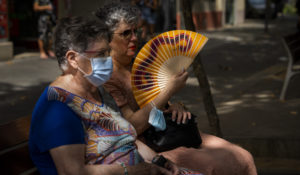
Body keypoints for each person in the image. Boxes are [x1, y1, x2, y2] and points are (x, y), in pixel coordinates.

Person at [96, 2, 258, 175]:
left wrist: (175, 106)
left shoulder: (142, 63)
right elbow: (132, 126)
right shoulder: (106, 77)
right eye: (126, 33)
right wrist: (169, 91)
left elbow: (160, 103)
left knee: (243, 156)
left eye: (136, 31)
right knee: (213, 164)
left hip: (170, 130)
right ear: (107, 39)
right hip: (147, 143)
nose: (134, 37)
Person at [28, 16, 203, 175]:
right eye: (101, 54)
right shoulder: (58, 109)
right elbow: (72, 172)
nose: (108, 59)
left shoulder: (95, 91)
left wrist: (159, 161)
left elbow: (126, 139)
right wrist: (136, 170)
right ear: (73, 59)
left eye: (107, 52)